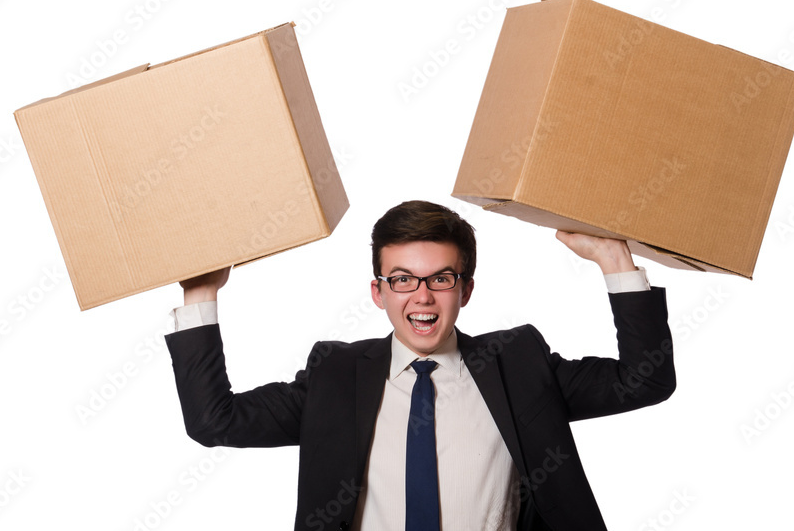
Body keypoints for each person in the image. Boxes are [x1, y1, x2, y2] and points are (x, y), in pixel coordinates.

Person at [165, 200, 675, 530]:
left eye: (441, 278)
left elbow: (645, 380)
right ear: (378, 293)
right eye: (403, 279)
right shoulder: (335, 376)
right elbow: (216, 420)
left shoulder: (517, 363)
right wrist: (201, 292)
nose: (423, 296)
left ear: (465, 290)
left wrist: (615, 260)